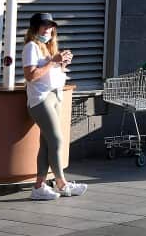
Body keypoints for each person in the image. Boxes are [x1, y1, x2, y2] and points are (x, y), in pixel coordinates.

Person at [23, 12, 88, 201]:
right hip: (40, 99)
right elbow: (30, 76)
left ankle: (39, 186)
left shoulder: (47, 47)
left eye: (51, 26)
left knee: (46, 143)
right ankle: (61, 183)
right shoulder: (31, 47)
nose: (49, 30)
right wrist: (53, 62)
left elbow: (48, 73)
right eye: (44, 26)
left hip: (53, 96)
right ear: (35, 28)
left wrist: (62, 63)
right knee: (56, 140)